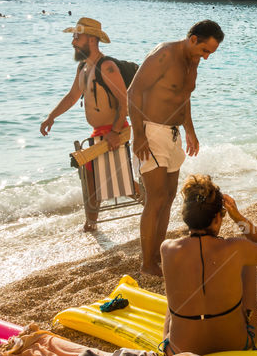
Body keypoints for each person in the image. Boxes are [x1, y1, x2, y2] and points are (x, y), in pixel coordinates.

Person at [128, 20, 224, 276]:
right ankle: (146, 264)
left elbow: (184, 97)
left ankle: (157, 256)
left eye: (210, 53)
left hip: (172, 134)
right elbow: (133, 92)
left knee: (169, 197)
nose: (205, 57)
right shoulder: (164, 54)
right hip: (151, 131)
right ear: (192, 39)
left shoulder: (192, 61)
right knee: (155, 198)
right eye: (204, 50)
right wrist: (138, 135)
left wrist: (190, 130)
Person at [160, 175, 257, 356]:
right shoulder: (236, 247)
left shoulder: (167, 248)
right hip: (237, 344)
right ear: (216, 219)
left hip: (178, 350)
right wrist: (238, 218)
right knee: (248, 262)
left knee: (173, 300)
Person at [40, 17, 129, 232]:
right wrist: (51, 117)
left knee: (115, 181)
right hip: (99, 132)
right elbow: (72, 96)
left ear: (90, 39)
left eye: (76, 37)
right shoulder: (83, 67)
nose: (73, 42)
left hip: (113, 132)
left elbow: (124, 101)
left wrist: (116, 132)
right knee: (90, 176)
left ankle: (149, 206)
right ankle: (91, 223)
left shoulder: (107, 67)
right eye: (73, 37)